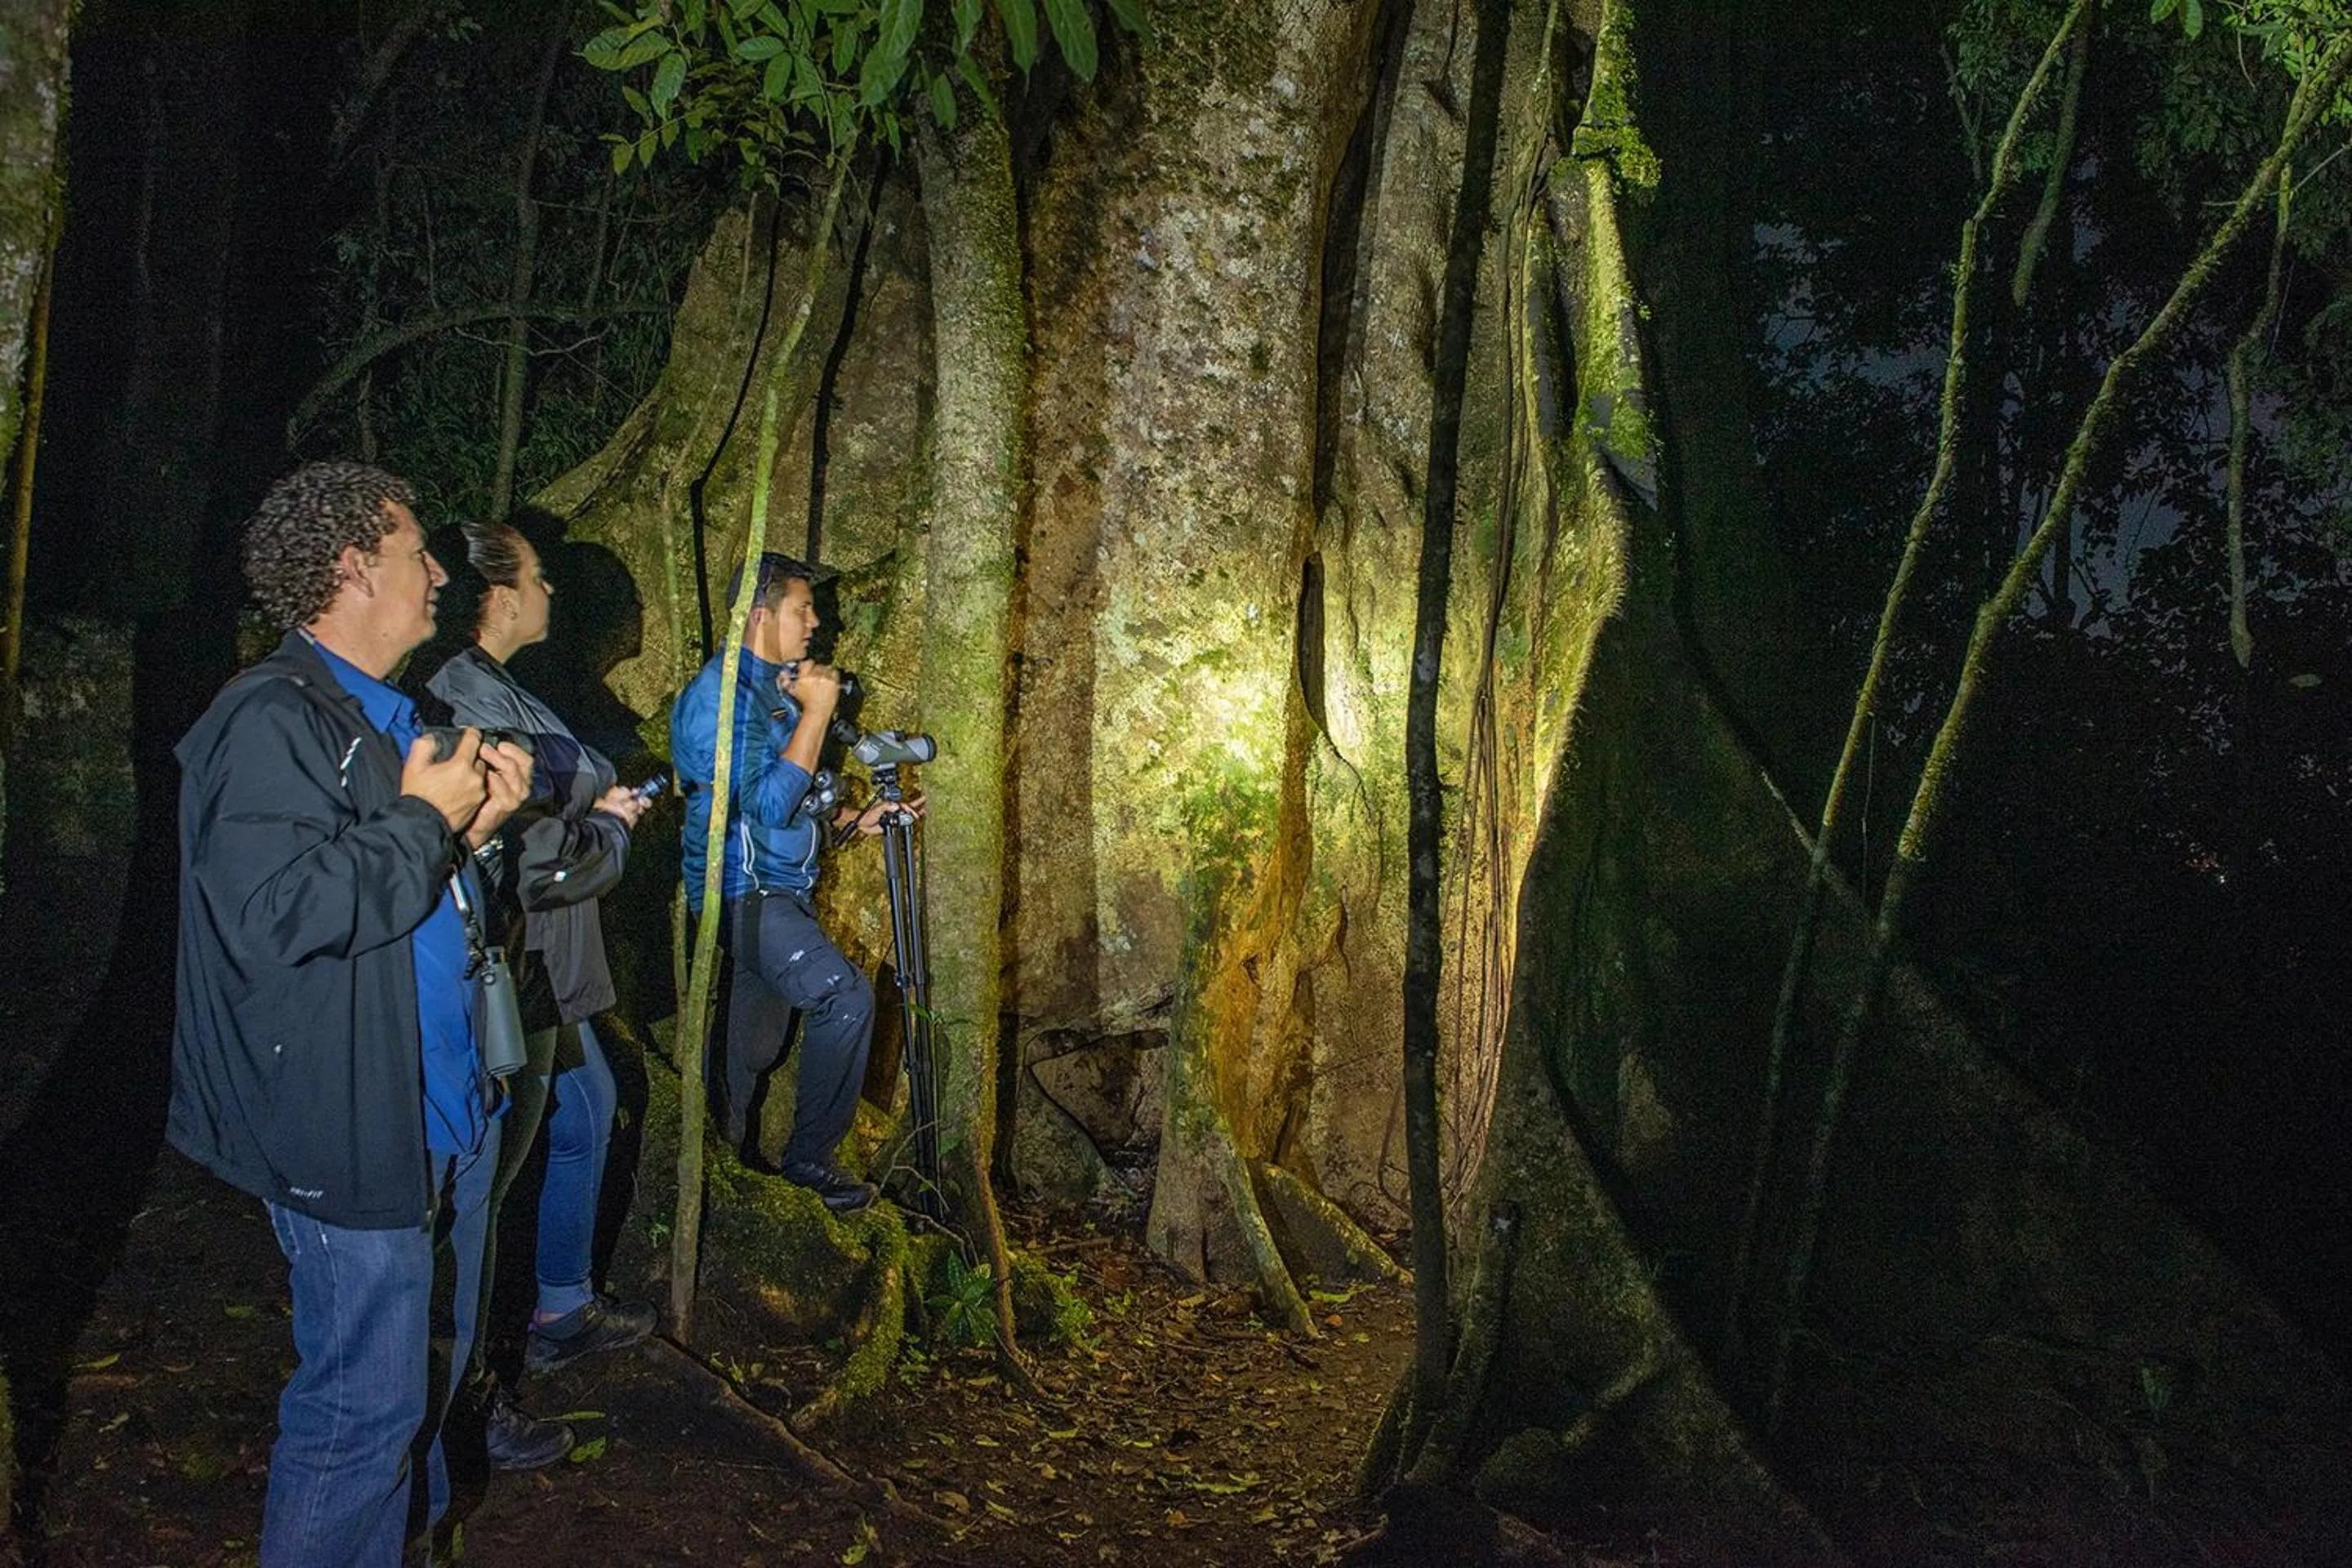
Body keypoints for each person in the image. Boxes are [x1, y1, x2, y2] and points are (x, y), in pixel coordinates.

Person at [169, 462, 538, 1566]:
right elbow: (274, 914)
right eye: (417, 552)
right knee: (361, 1412)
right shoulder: (266, 720)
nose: (438, 573)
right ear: (350, 570)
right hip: (350, 1118)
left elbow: (385, 887)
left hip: (438, 1103)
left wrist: (465, 838)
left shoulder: (382, 717)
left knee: (418, 1387)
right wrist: (429, 822)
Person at [421, 519, 657, 1390]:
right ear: (500, 596)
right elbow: (520, 849)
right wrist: (611, 832)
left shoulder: (498, 684)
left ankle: (557, 1310)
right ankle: (468, 1383)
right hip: (516, 960)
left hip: (547, 960)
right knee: (486, 1173)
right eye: (540, 577)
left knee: (587, 1106)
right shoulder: (461, 693)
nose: (553, 592)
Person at [669, 551, 913, 1214]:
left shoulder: (772, 685)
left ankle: (726, 1167)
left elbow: (781, 804)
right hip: (743, 896)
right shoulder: (720, 700)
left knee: (754, 1044)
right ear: (760, 616)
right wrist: (816, 714)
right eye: (802, 609)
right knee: (846, 998)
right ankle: (810, 1161)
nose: (815, 623)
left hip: (777, 892)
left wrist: (851, 819)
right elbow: (767, 805)